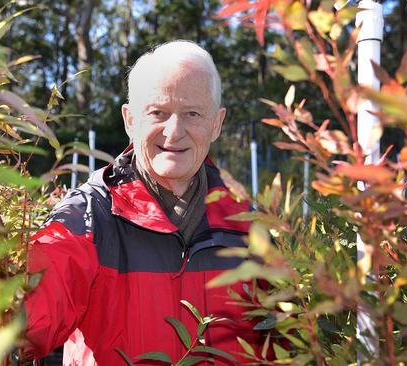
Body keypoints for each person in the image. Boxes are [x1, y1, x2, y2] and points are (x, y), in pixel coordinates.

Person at [25, 40, 269, 365]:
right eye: (158, 113)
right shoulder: (88, 215)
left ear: (216, 124)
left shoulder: (246, 227)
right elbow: (30, 322)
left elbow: (287, 339)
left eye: (192, 113)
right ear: (129, 120)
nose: (174, 131)